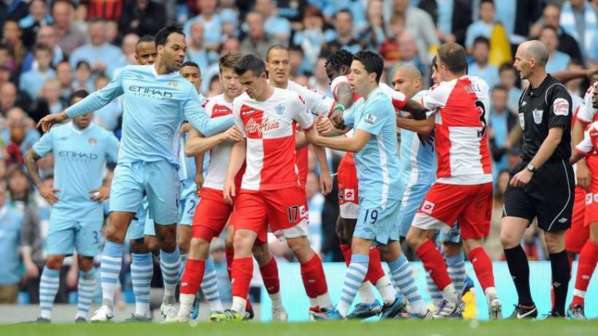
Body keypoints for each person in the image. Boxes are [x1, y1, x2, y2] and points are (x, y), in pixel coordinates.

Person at [37, 25, 236, 322]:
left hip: (163, 169)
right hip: (129, 165)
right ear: (160, 49)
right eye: (177, 48)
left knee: (167, 239)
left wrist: (242, 114)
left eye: (185, 49)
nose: (182, 53)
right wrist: (64, 115)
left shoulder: (182, 87)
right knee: (115, 231)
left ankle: (170, 297)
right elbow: (100, 97)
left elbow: (205, 126)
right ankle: (105, 305)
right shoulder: (129, 74)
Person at [310, 50, 431, 320]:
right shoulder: (365, 102)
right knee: (390, 248)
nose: (349, 77)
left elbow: (355, 143)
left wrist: (320, 141)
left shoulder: (378, 102)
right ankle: (420, 309)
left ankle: (340, 311)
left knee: (360, 242)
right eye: (349, 72)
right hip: (378, 186)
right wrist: (321, 127)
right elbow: (341, 127)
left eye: (355, 72)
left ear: (372, 76)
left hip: (384, 187)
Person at [212, 54, 331, 321]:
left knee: (299, 246)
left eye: (249, 83)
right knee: (241, 240)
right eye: (242, 83)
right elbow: (241, 142)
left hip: (285, 187)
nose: (245, 89)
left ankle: (323, 306)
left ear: (263, 77)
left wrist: (323, 168)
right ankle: (239, 307)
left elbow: (312, 133)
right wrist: (231, 177)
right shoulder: (241, 103)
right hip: (252, 188)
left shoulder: (290, 101)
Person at [405, 43, 501, 319]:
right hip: (483, 176)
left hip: (455, 178)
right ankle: (492, 295)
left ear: (443, 68)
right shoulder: (481, 84)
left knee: (416, 237)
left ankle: (451, 299)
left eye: (436, 69)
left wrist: (386, 101)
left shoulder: (441, 92)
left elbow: (414, 109)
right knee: (473, 242)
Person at [25, 90, 119, 322]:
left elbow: (125, 161)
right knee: (53, 259)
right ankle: (44, 315)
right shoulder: (57, 134)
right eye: (79, 108)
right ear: (71, 110)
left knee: (86, 262)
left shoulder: (104, 136)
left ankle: (81, 315)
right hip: (62, 208)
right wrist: (41, 187)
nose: (84, 113)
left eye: (88, 108)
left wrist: (109, 187)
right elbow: (30, 157)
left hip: (90, 209)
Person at [501, 40, 574, 319]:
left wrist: (530, 168)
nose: (514, 63)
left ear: (532, 63)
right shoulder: (524, 94)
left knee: (553, 243)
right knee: (508, 237)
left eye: (518, 59)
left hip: (553, 175)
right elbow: (528, 134)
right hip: (525, 171)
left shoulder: (557, 94)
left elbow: (555, 138)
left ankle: (558, 311)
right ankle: (526, 305)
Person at [567, 81, 598, 319]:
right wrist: (580, 165)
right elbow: (580, 124)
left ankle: (576, 303)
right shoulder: (595, 90)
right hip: (589, 175)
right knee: (570, 243)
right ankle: (562, 306)